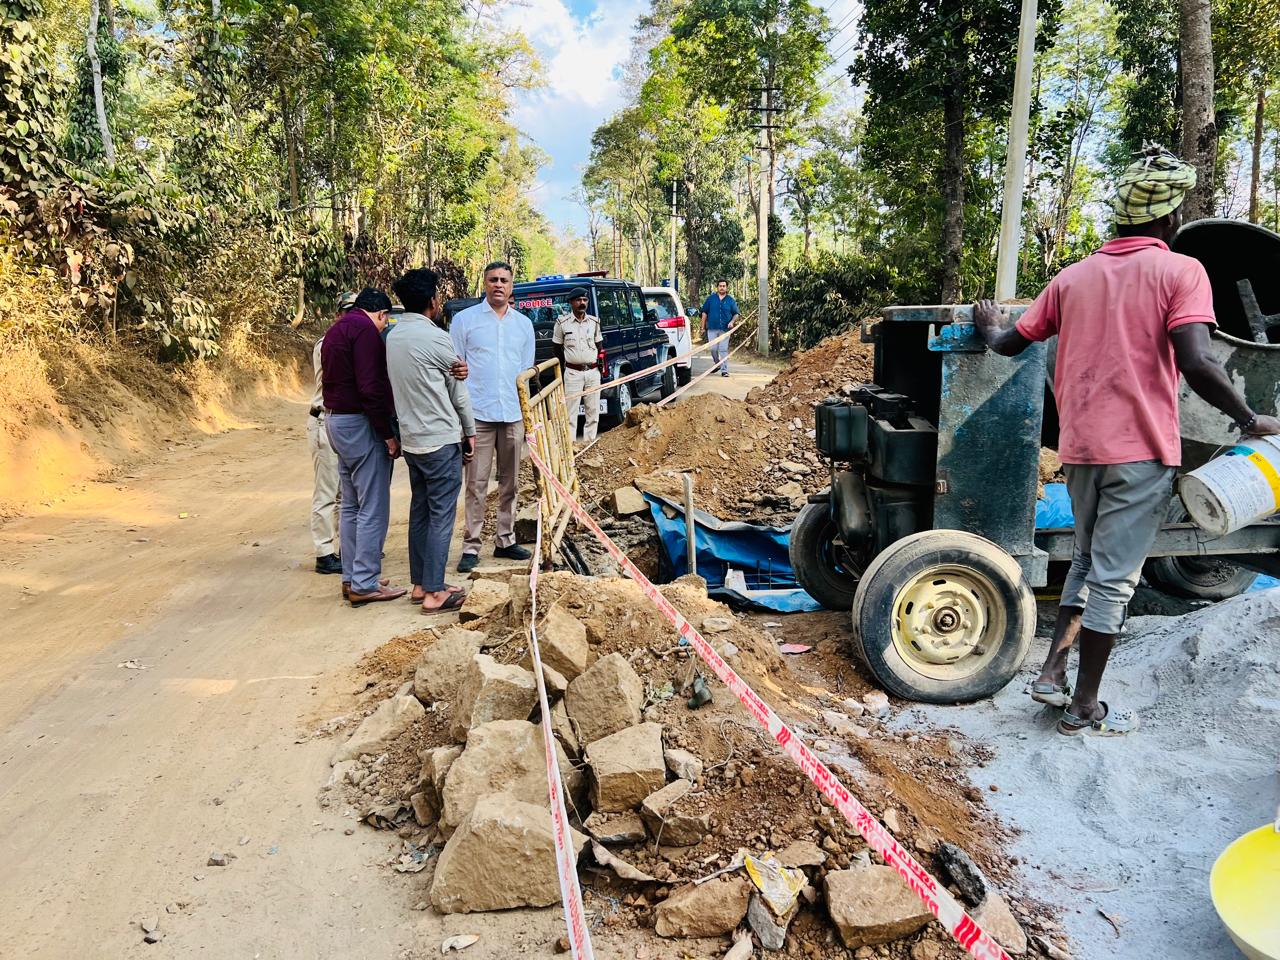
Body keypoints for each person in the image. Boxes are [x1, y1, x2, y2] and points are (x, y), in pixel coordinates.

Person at [973, 144, 1280, 737]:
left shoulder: (1072, 277)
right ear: (1169, 218)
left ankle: (1053, 672)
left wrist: (990, 327)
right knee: (1116, 580)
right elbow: (1198, 361)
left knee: (1088, 561)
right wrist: (1249, 419)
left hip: (1081, 448)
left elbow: (1011, 344)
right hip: (1141, 450)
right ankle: (1084, 706)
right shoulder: (1181, 272)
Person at [387, 268, 477, 614]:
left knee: (420, 511)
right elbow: (458, 393)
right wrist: (470, 431)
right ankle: (435, 592)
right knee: (441, 515)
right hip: (440, 438)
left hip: (412, 441)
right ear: (432, 301)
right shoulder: (437, 338)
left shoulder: (393, 337)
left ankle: (420, 583)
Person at [321, 287, 406, 606]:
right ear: (382, 314)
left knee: (351, 504)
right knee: (373, 505)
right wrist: (387, 434)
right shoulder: (366, 332)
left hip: (335, 421)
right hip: (359, 423)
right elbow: (371, 388)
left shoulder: (336, 329)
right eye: (386, 321)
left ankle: (352, 577)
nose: (384, 327)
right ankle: (366, 582)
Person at [450, 261, 535, 573]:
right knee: (476, 484)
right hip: (478, 415)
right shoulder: (464, 321)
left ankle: (505, 539)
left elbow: (525, 373)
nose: (498, 284)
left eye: (504, 280)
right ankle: (471, 546)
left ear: (511, 286)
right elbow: (454, 367)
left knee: (510, 482)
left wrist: (526, 417)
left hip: (512, 413)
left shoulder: (523, 325)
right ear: (484, 284)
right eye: (493, 280)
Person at [309, 291, 356, 575]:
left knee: (343, 491)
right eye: (347, 311)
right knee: (327, 491)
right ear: (338, 314)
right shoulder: (329, 342)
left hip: (340, 422)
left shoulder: (352, 340)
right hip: (324, 418)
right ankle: (324, 552)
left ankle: (345, 546)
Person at [553, 286, 605, 443]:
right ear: (571, 302)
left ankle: (589, 444)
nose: (582, 303)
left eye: (584, 300)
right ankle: (571, 446)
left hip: (592, 372)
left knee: (593, 412)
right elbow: (557, 349)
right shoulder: (562, 323)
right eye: (578, 300)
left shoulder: (594, 322)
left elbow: (599, 345)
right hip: (572, 373)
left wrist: (601, 364)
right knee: (570, 413)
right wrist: (565, 366)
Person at [699, 279, 740, 377]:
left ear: (726, 287)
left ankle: (724, 370)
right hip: (712, 328)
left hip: (725, 329)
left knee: (723, 349)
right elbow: (704, 313)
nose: (722, 288)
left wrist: (732, 322)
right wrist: (702, 327)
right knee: (713, 349)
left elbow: (736, 314)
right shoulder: (710, 299)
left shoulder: (730, 300)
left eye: (724, 286)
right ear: (717, 287)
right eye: (720, 286)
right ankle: (717, 363)